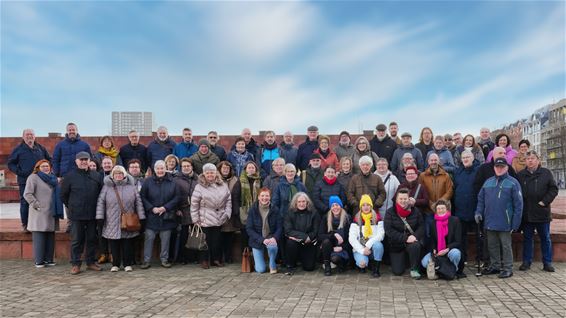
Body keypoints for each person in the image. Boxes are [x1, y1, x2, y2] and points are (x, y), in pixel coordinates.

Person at [475, 158, 523, 279]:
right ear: (494, 168)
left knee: (506, 246)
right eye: (497, 167)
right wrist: (478, 212)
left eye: (502, 167)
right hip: (490, 221)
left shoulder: (513, 183)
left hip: (505, 222)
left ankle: (508, 268)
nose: (499, 169)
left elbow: (519, 205)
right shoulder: (488, 182)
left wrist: (515, 224)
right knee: (492, 245)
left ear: (507, 168)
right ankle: (495, 266)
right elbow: (480, 200)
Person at [95, 165, 145, 272]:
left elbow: (138, 203)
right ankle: (115, 264)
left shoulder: (131, 187)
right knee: (114, 244)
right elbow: (100, 202)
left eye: (120, 173)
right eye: (116, 174)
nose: (118, 175)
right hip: (111, 220)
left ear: (124, 175)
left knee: (127, 243)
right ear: (113, 175)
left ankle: (127, 264)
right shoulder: (106, 187)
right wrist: (100, 217)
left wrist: (141, 217)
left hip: (128, 220)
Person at [60, 151, 102, 275]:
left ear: (89, 161)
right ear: (76, 161)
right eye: (81, 160)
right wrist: (72, 206)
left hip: (92, 214)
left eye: (86, 159)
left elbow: (100, 193)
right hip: (76, 215)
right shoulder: (69, 176)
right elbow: (63, 195)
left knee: (91, 239)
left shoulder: (96, 175)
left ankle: (90, 262)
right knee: (77, 240)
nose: (84, 162)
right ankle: (75, 264)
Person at [517, 151, 559, 272]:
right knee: (527, 238)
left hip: (542, 212)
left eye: (533, 158)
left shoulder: (546, 173)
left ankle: (547, 262)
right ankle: (526, 262)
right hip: (527, 213)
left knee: (545, 238)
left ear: (538, 160)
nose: (530, 160)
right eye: (528, 158)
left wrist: (544, 202)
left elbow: (553, 189)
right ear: (525, 161)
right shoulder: (521, 175)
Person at [8, 128, 51, 232]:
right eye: (27, 135)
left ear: (35, 136)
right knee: (25, 202)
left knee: (39, 201)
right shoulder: (18, 149)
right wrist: (19, 172)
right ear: (23, 137)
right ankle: (25, 224)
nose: (29, 136)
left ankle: (39, 223)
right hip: (25, 180)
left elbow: (49, 160)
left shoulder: (40, 148)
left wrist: (47, 171)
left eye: (31, 134)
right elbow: (11, 163)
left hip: (40, 180)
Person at [190, 163, 232, 269]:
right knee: (204, 241)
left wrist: (227, 213)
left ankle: (215, 260)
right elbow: (194, 204)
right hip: (205, 217)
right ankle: (204, 260)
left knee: (217, 240)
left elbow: (228, 200)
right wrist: (195, 219)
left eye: (212, 172)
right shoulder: (199, 187)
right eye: (207, 173)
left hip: (219, 217)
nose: (210, 174)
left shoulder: (222, 185)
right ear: (204, 174)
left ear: (216, 173)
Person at [140, 160, 180, 269]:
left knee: (165, 239)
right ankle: (146, 261)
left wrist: (165, 208)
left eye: (162, 168)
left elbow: (177, 197)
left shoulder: (172, 181)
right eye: (158, 168)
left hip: (167, 216)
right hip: (152, 216)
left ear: (165, 168)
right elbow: (143, 197)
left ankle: (164, 259)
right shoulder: (148, 182)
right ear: (154, 170)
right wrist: (151, 208)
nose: (160, 170)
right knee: (149, 238)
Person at [23, 160, 62, 267]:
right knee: (39, 237)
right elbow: (27, 194)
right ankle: (39, 260)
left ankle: (49, 259)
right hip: (39, 212)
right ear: (38, 167)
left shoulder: (53, 178)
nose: (46, 168)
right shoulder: (33, 177)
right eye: (43, 166)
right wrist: (36, 204)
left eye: (47, 166)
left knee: (50, 236)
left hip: (52, 211)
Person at [384, 188, 424, 279]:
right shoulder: (390, 212)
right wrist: (405, 238)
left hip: (412, 242)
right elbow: (389, 230)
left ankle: (414, 269)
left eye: (405, 199)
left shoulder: (415, 211)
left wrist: (415, 236)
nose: (403, 201)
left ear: (409, 199)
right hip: (396, 245)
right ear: (397, 199)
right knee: (398, 271)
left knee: (416, 245)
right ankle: (404, 261)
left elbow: (421, 226)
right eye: (400, 199)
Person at [452, 150, 480, 275]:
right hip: (460, 212)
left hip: (475, 211)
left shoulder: (478, 171)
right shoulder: (457, 172)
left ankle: (481, 262)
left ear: (473, 158)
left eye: (468, 157)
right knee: (460, 240)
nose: (465, 159)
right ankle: (461, 266)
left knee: (480, 239)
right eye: (463, 157)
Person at [418, 153, 454, 250]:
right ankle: (430, 255)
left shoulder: (445, 175)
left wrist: (439, 204)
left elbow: (450, 190)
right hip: (428, 210)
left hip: (442, 211)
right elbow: (421, 191)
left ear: (438, 161)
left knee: (443, 234)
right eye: (431, 160)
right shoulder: (422, 176)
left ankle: (442, 253)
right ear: (428, 162)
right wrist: (431, 205)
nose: (433, 162)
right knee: (429, 233)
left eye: (435, 160)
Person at [420, 200, 464, 279]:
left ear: (447, 209)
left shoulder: (455, 220)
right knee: (424, 262)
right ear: (436, 211)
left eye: (443, 208)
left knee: (455, 253)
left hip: (450, 249)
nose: (441, 210)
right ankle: (441, 271)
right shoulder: (433, 223)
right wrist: (433, 249)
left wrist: (446, 250)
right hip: (439, 251)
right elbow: (433, 240)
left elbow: (458, 241)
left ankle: (453, 271)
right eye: (438, 209)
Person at [246, 188, 282, 274]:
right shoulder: (253, 210)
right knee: (260, 270)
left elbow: (280, 227)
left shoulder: (275, 209)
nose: (264, 198)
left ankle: (272, 263)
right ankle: (257, 261)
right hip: (257, 240)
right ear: (258, 197)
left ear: (270, 197)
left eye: (267, 195)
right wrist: (262, 240)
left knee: (273, 246)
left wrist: (275, 238)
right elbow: (249, 229)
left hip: (270, 238)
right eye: (262, 195)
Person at [284, 192, 320, 275]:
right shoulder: (290, 213)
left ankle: (303, 260)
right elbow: (288, 230)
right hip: (296, 242)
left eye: (303, 201)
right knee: (290, 243)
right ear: (295, 203)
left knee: (309, 267)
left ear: (307, 202)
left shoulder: (314, 213)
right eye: (299, 202)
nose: (301, 204)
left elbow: (316, 230)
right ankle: (290, 265)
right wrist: (304, 237)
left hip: (309, 243)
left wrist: (308, 238)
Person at [349, 195, 384, 277]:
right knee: (362, 263)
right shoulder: (356, 220)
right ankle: (365, 264)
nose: (366, 207)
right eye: (363, 205)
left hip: (372, 248)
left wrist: (368, 245)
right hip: (360, 249)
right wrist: (362, 250)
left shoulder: (377, 218)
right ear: (361, 207)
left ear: (371, 206)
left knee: (378, 245)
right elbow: (352, 239)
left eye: (368, 205)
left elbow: (381, 235)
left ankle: (376, 269)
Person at [174, 158, 199, 265]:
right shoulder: (176, 180)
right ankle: (182, 257)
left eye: (188, 166)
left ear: (192, 167)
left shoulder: (197, 179)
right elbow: (173, 196)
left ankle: (194, 257)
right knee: (184, 235)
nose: (186, 168)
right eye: (184, 166)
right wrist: (177, 209)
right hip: (183, 210)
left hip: (195, 210)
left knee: (195, 234)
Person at [319, 196, 351, 276]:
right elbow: (320, 235)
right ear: (330, 207)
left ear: (340, 206)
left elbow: (351, 238)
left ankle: (342, 264)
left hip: (343, 248)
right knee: (326, 241)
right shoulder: (326, 218)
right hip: (330, 248)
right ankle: (327, 266)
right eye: (332, 205)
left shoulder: (347, 218)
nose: (335, 207)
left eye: (337, 205)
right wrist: (334, 234)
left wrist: (342, 247)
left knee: (335, 259)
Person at [218, 161, 241, 264]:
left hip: (231, 212)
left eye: (227, 168)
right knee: (220, 236)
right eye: (224, 168)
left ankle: (228, 256)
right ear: (220, 169)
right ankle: (220, 257)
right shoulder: (216, 180)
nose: (226, 170)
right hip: (219, 212)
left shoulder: (235, 180)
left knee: (230, 236)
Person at [239, 161, 262, 251]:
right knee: (245, 232)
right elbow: (236, 195)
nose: (251, 169)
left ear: (256, 169)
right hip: (244, 209)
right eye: (249, 167)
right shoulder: (240, 180)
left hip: (257, 209)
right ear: (245, 169)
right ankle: (245, 254)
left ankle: (254, 253)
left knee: (255, 231)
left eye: (253, 167)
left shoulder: (259, 180)